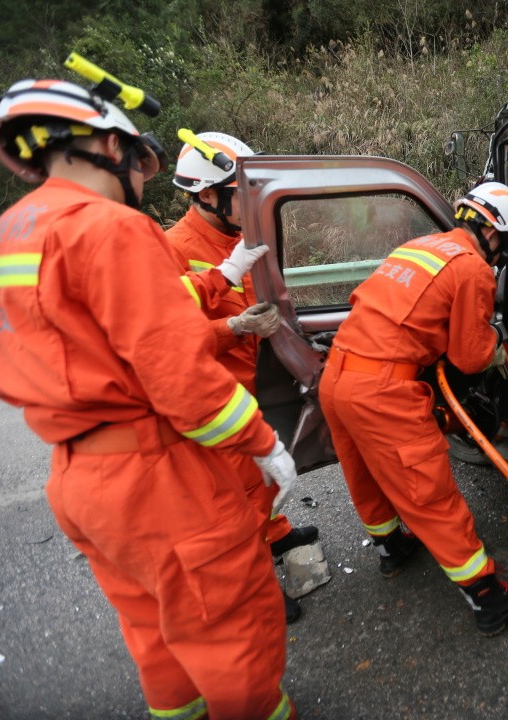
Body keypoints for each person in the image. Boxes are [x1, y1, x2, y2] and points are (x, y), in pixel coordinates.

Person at [0, 78, 298, 719]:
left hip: (76, 476)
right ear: (108, 145)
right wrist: (261, 443)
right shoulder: (109, 228)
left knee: (155, 628)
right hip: (155, 474)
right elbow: (177, 372)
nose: (140, 180)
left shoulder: (6, 234)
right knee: (232, 628)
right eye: (137, 161)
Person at [318, 181, 508, 636]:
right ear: (495, 234)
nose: (500, 262)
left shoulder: (418, 247)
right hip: (383, 391)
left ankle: (391, 547)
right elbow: (468, 356)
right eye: (504, 251)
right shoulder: (472, 270)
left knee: (362, 470)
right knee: (428, 491)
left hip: (337, 376)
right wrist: (496, 345)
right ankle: (487, 597)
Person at [166, 130, 319, 623]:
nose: (252, 200)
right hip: (215, 396)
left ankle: (274, 535)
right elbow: (164, 343)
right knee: (237, 500)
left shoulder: (245, 235)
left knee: (265, 479)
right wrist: (231, 328)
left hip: (258, 381)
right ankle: (253, 588)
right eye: (242, 191)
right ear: (208, 194)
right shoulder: (173, 249)